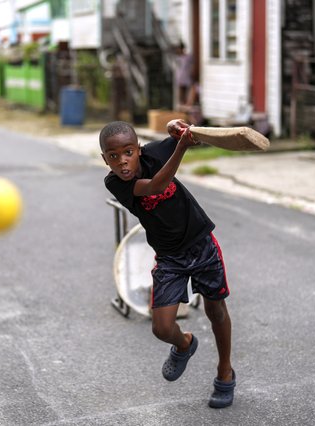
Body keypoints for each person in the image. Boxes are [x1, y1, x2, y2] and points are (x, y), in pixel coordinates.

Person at [99, 120, 235, 408]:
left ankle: (225, 372)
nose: (122, 162)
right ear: (105, 159)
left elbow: (185, 135)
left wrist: (179, 130)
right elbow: (155, 186)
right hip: (170, 257)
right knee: (161, 327)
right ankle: (184, 344)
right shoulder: (114, 183)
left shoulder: (155, 152)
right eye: (113, 157)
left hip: (201, 243)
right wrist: (182, 148)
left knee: (216, 309)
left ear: (138, 149)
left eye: (128, 152)